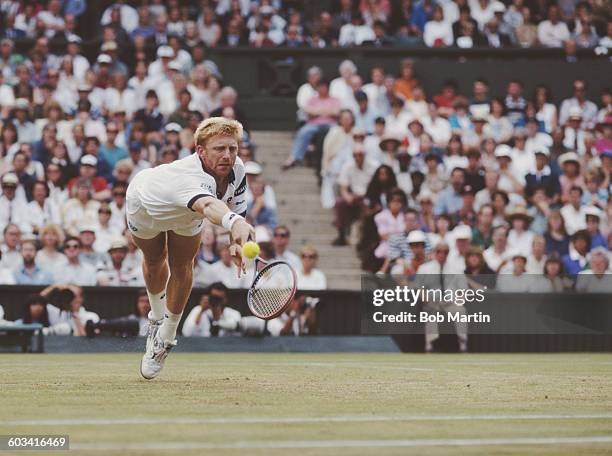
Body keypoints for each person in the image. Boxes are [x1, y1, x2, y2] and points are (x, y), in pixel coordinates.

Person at [126, 117, 255, 379]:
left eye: (232, 148)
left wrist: (235, 244)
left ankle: (165, 338)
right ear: (200, 151)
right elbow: (211, 208)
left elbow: (234, 210)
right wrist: (235, 223)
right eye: (219, 149)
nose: (227, 155)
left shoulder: (237, 169)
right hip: (147, 206)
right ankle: (156, 318)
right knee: (155, 258)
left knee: (183, 264)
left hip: (189, 213)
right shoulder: (189, 176)